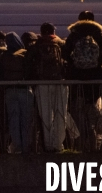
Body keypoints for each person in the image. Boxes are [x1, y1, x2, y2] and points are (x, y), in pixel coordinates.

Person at [63, 10, 102, 152]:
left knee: (77, 112)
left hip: (76, 79)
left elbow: (65, 53)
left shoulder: (74, 33)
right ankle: (93, 143)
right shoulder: (98, 33)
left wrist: (74, 64)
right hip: (94, 79)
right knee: (91, 111)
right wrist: (97, 63)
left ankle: (80, 143)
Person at [28, 22, 67, 153]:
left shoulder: (35, 46)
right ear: (53, 32)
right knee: (60, 113)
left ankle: (48, 144)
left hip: (42, 83)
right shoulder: (61, 44)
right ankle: (58, 145)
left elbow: (28, 64)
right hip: (60, 83)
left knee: (45, 115)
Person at [0, 31, 34, 154]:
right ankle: (26, 147)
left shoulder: (4, 55)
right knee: (26, 119)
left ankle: (17, 147)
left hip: (9, 90)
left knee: (13, 119)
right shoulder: (25, 54)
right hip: (24, 89)